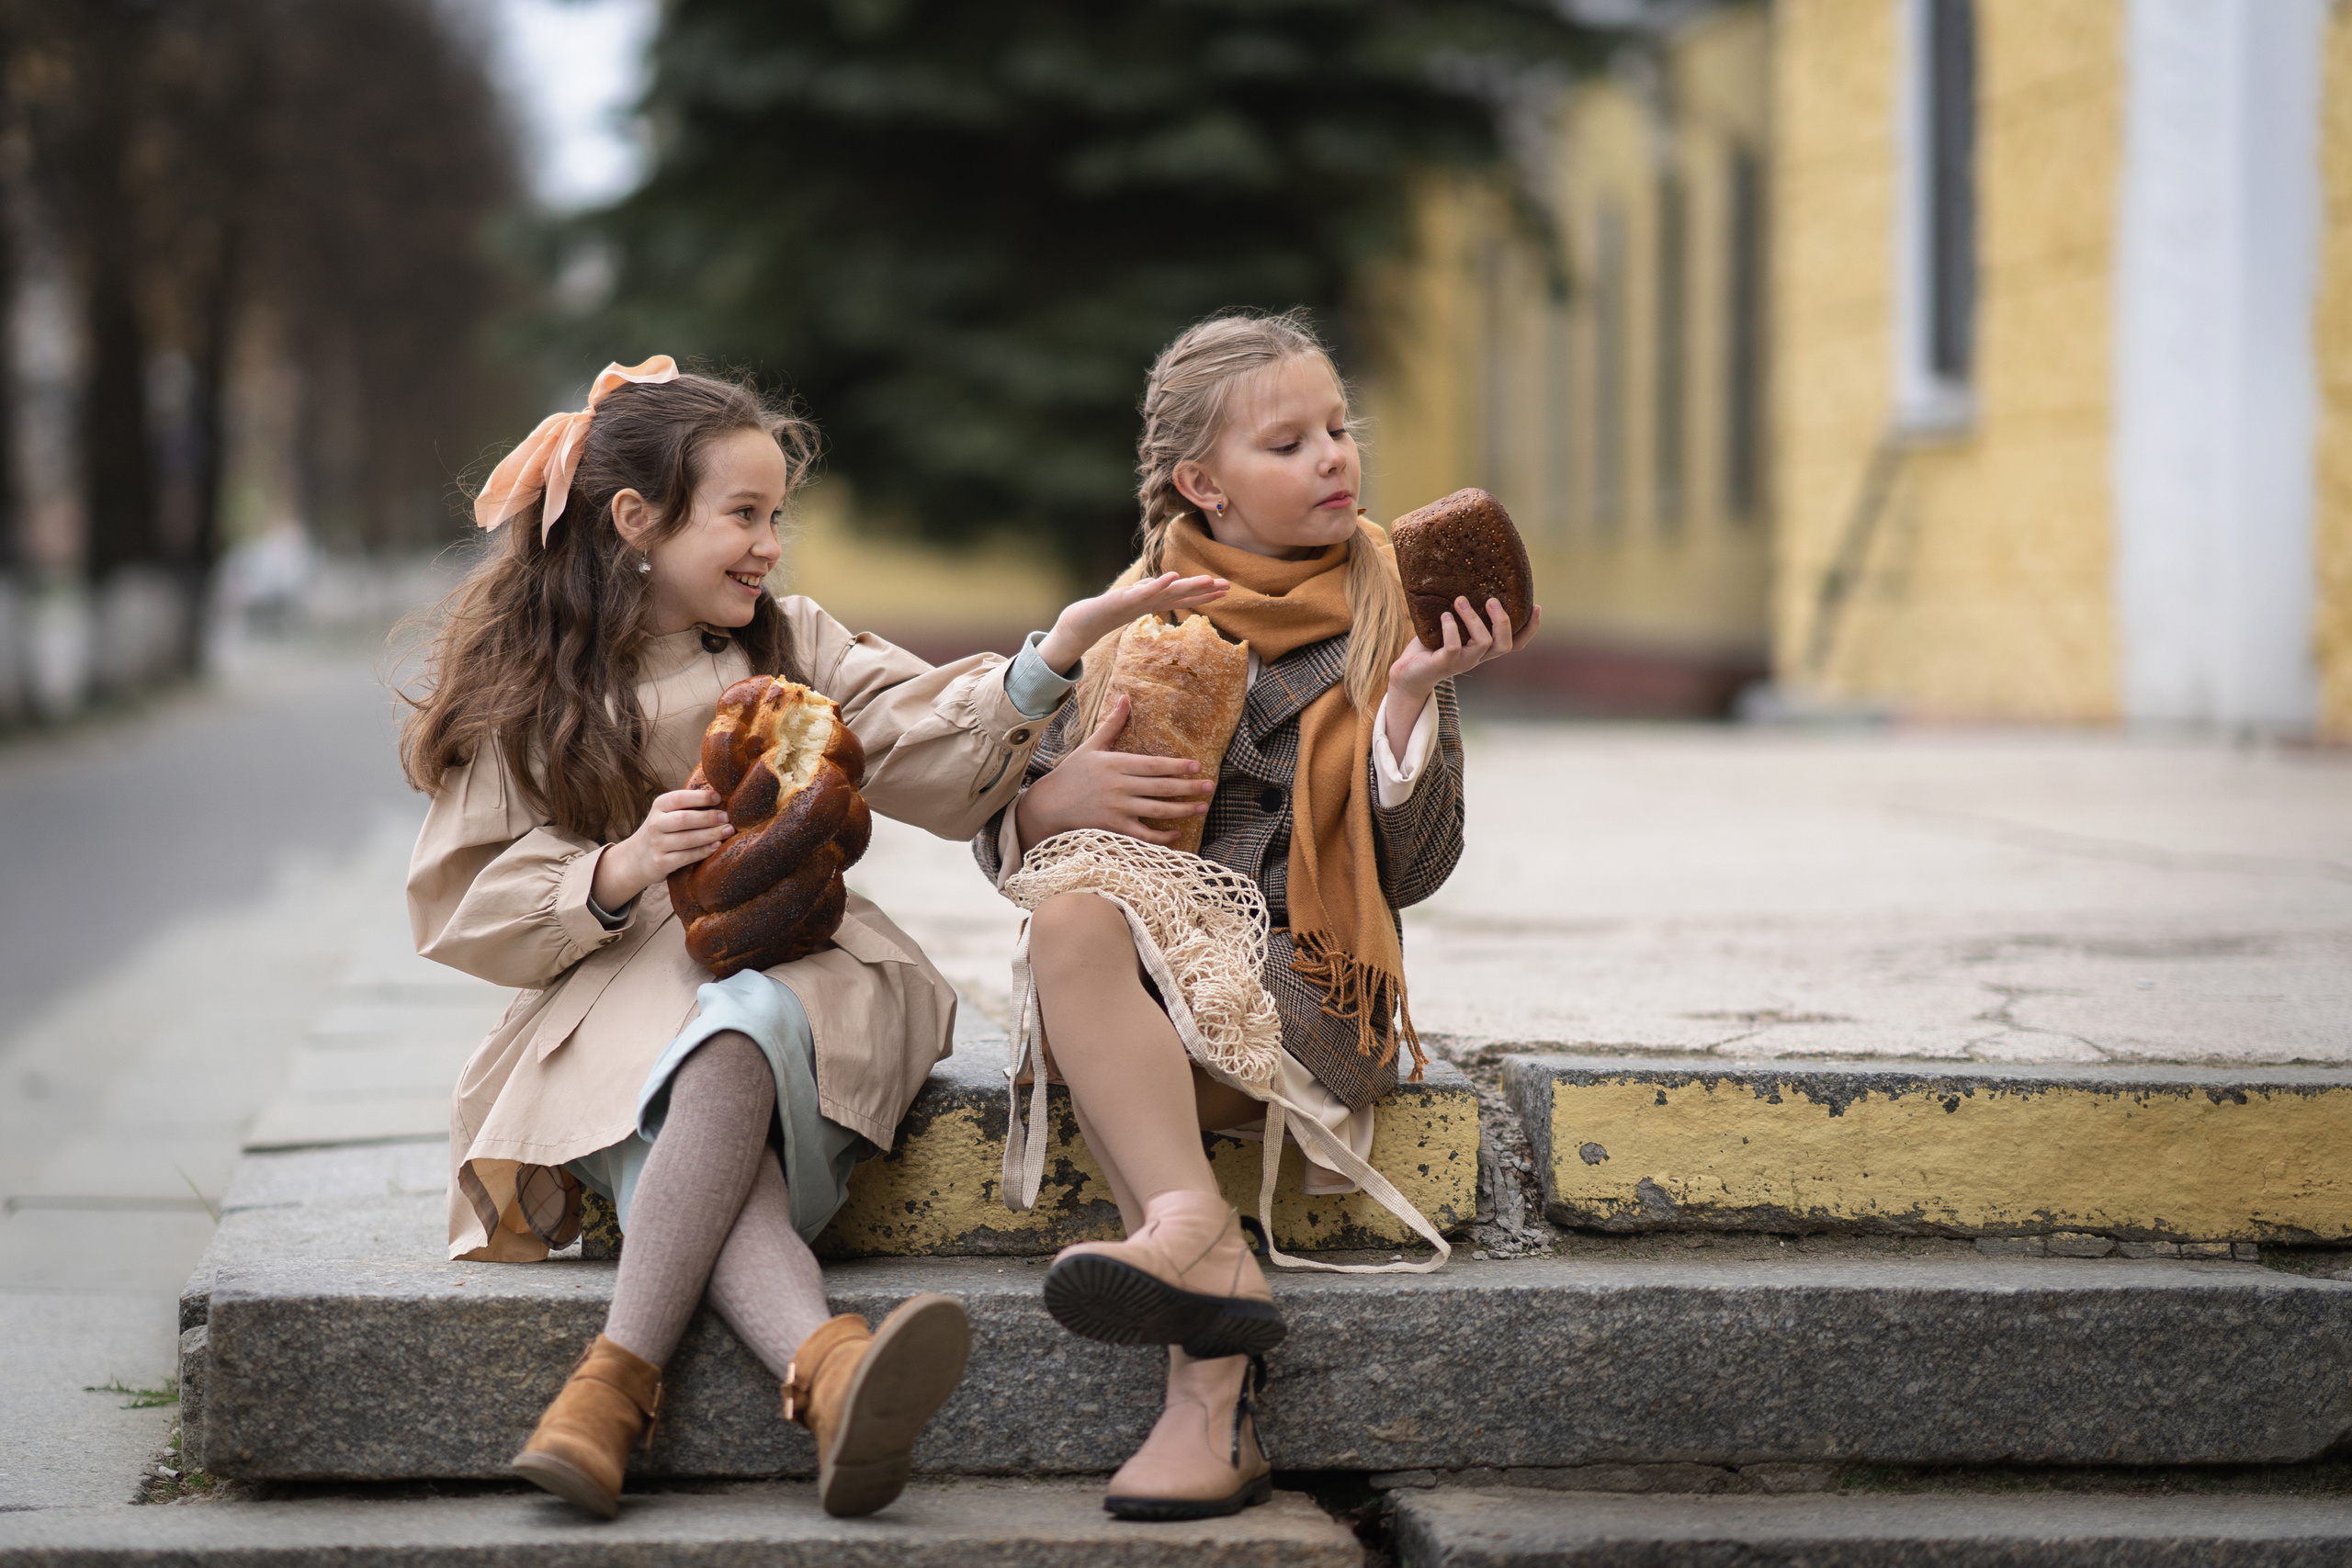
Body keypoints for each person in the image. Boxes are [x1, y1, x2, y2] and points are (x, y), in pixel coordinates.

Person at [401, 357, 1223, 1521]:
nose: (768, 545)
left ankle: (609, 1390)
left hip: (806, 967)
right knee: (689, 1075)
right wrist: (623, 865)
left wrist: (1050, 659)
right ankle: (833, 1373)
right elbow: (464, 897)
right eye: (742, 514)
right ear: (636, 520)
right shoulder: (534, 693)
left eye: (775, 516)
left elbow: (914, 734)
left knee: (730, 1032)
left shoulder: (791, 645)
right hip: (617, 991)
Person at [973, 310, 1541, 1521]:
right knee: (1068, 914)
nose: (1335, 456)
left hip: (1305, 995)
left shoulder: (1395, 606)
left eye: (1339, 427)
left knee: (1117, 1034)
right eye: (1288, 442)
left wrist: (1407, 704)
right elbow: (1042, 851)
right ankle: (1202, 1269)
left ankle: (1198, 1339)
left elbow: (1420, 866)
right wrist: (1047, 800)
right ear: (1201, 485)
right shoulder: (1132, 622)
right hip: (1150, 995)